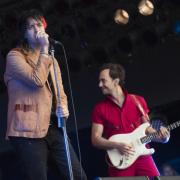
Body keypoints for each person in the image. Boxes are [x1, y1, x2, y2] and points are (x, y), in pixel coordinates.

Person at [4, 9, 87, 180]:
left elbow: (60, 92)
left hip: (54, 128)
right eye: (30, 27)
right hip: (26, 130)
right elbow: (37, 80)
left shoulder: (52, 59)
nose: (36, 29)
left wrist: (64, 108)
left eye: (39, 25)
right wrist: (44, 50)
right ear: (24, 35)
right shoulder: (15, 56)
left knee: (77, 176)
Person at [91, 63, 170, 178]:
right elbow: (95, 139)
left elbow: (148, 130)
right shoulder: (99, 109)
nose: (99, 84)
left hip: (143, 156)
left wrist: (163, 138)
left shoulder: (138, 101)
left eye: (103, 81)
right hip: (121, 161)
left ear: (116, 81)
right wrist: (117, 145)